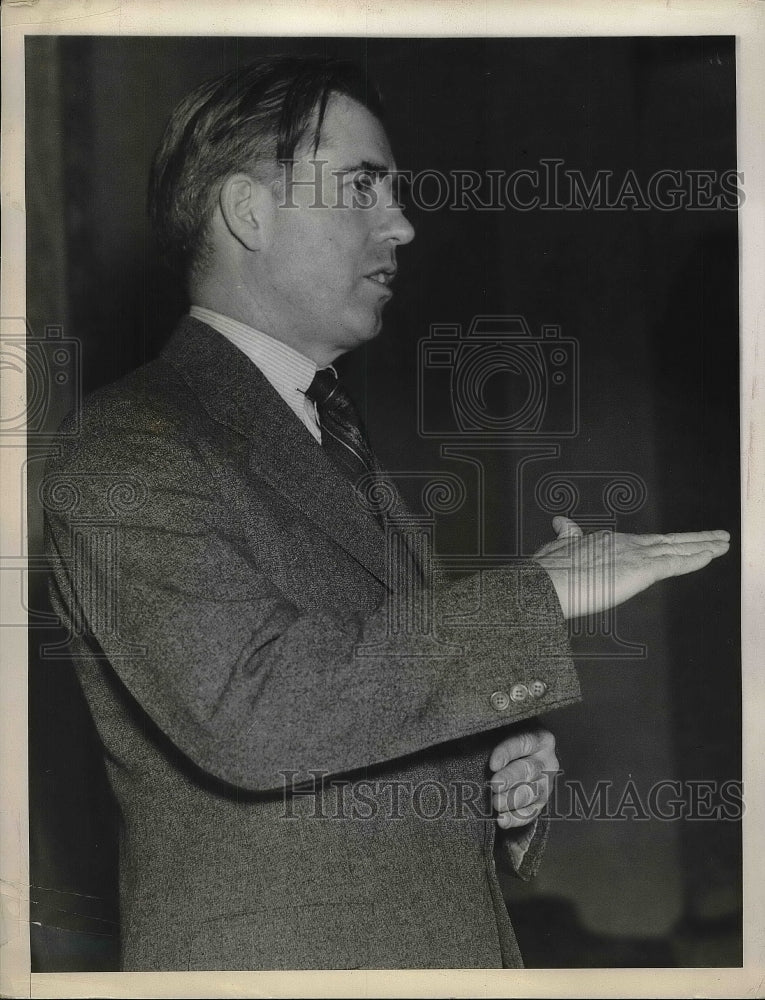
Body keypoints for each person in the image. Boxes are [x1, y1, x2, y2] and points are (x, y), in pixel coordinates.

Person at [43, 55, 729, 971]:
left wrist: (490, 777)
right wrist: (537, 593)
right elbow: (257, 714)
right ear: (248, 212)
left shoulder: (322, 431)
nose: (401, 223)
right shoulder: (127, 445)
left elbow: (359, 694)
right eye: (363, 187)